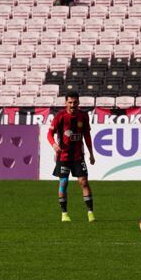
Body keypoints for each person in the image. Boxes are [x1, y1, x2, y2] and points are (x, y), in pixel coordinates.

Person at [48, 91, 96, 223]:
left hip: (78, 156)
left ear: (78, 102)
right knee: (63, 183)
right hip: (63, 157)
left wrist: (91, 154)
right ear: (65, 103)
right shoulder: (60, 116)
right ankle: (64, 214)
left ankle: (90, 213)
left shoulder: (83, 116)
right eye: (70, 102)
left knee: (84, 182)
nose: (72, 105)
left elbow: (87, 136)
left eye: (75, 102)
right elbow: (49, 134)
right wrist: (54, 145)